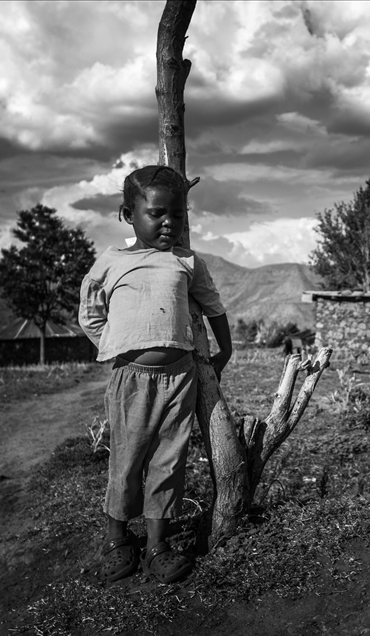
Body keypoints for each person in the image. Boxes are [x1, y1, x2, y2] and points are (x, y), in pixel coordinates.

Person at [79, 165, 232, 584]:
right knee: (126, 461)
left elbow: (213, 305)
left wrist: (226, 348)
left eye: (178, 214)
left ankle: (156, 544)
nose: (169, 222)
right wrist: (114, 345)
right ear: (129, 215)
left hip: (180, 378)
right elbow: (90, 313)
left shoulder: (185, 261)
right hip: (130, 379)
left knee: (170, 461)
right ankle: (116, 538)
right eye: (157, 213)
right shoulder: (111, 262)